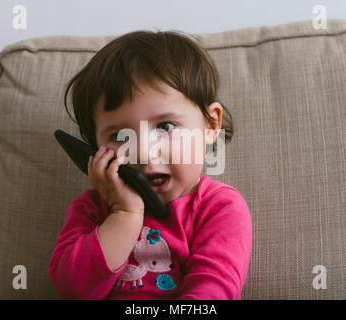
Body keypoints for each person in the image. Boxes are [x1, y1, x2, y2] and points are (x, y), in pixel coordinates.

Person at [48, 30, 252, 299]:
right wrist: (124, 214)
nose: (143, 151)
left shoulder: (218, 208)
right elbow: (73, 289)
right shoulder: (92, 210)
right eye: (121, 137)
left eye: (165, 126)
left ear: (210, 125)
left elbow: (212, 293)